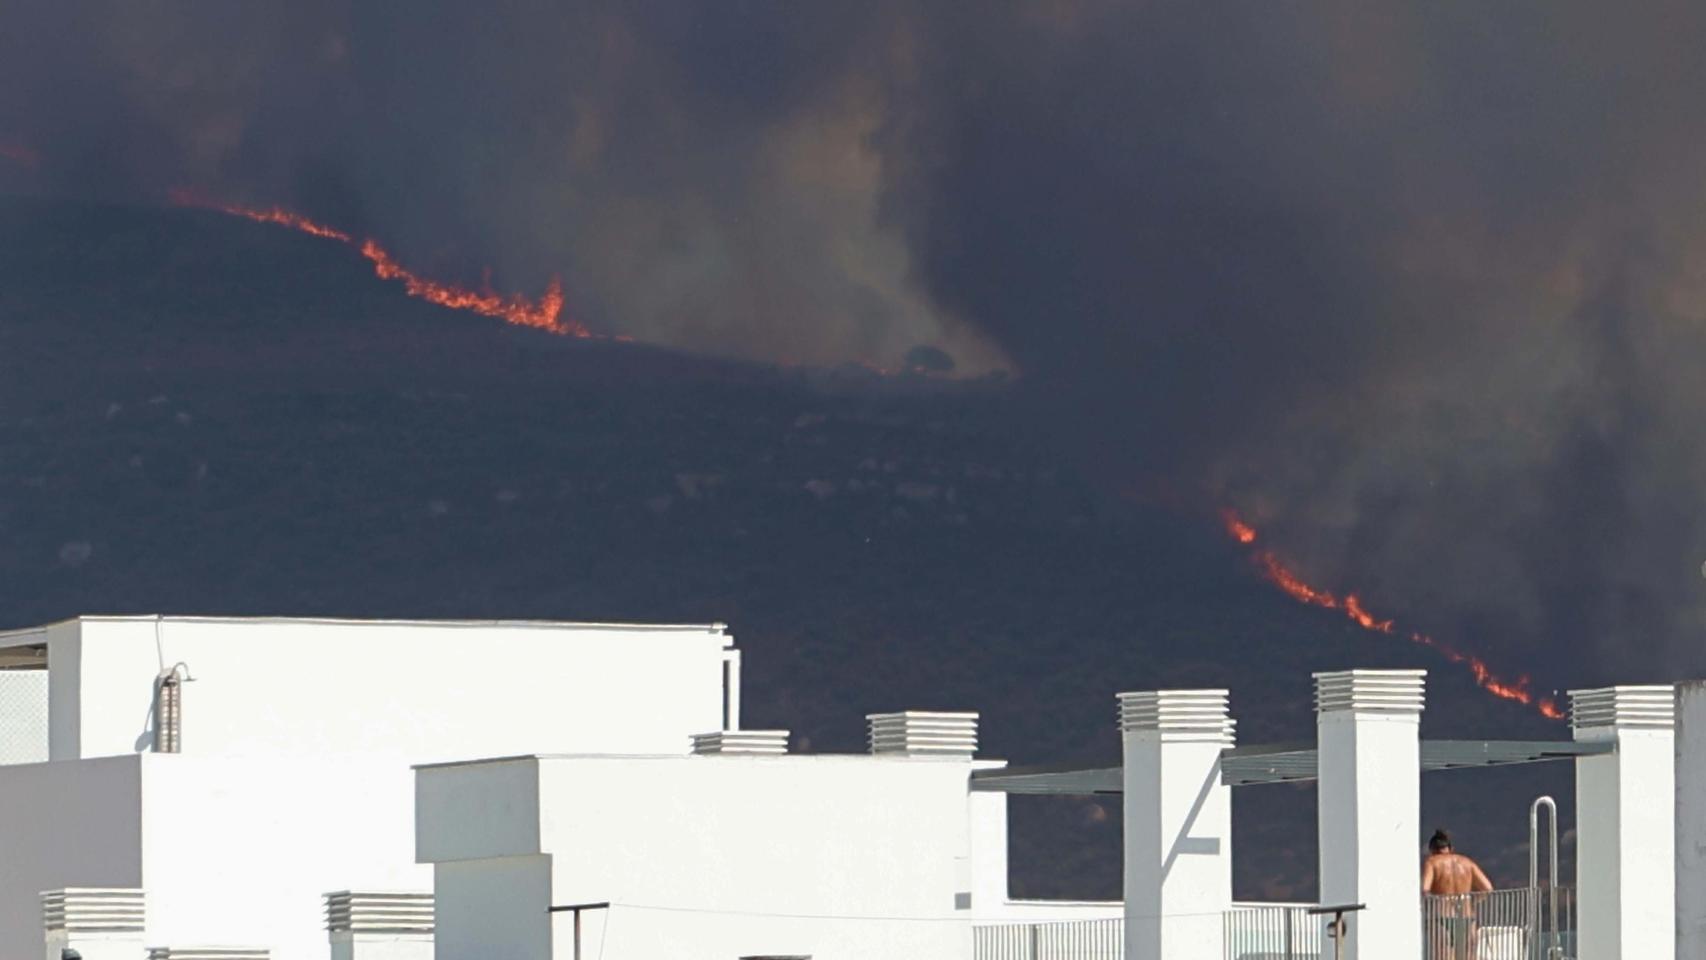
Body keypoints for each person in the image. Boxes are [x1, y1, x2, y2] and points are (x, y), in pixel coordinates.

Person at [1423, 828, 1493, 960]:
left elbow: (1425, 890)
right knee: (1468, 957)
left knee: (1443, 956)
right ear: (1450, 848)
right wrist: (1472, 901)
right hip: (1467, 917)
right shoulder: (1467, 862)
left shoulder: (1432, 862)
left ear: (1431, 850)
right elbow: (1487, 888)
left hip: (1441, 917)